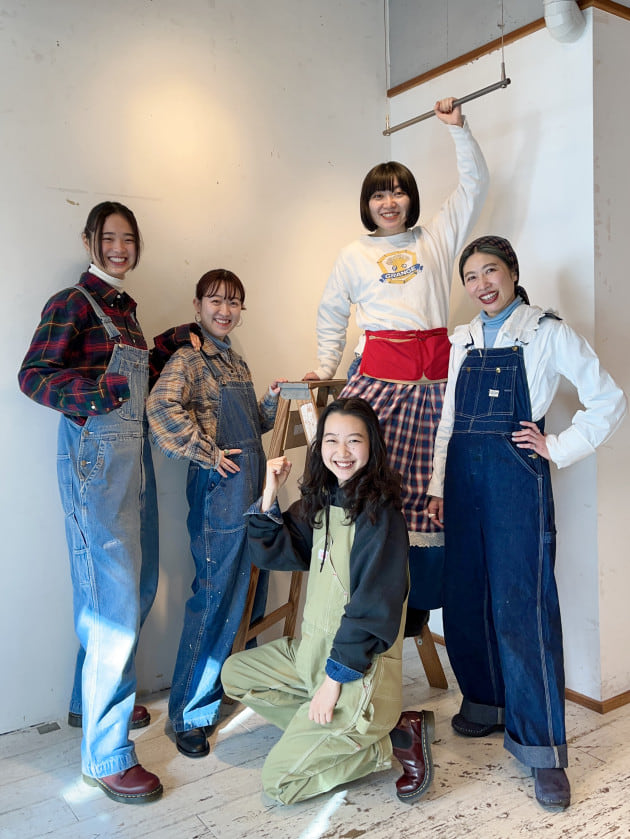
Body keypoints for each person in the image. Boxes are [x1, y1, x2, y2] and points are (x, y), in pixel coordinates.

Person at [426, 235, 627, 810]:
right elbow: (448, 420)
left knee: (524, 606)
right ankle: (486, 703)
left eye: (490, 271)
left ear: (512, 272)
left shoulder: (546, 331)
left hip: (516, 478)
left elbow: (609, 400)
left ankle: (542, 751)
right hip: (461, 479)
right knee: (467, 599)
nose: (481, 284)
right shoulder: (462, 339)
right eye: (471, 276)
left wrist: (555, 447)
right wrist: (438, 485)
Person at [18, 202, 192, 804]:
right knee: (111, 605)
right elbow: (34, 375)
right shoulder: (72, 302)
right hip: (95, 461)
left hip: (133, 460)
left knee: (133, 590)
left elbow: (134, 377)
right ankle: (107, 754)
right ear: (89, 239)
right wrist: (96, 393)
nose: (119, 248)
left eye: (128, 239)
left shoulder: (125, 310)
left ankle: (85, 701)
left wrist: (169, 342)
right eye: (108, 237)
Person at [303, 98, 489, 635]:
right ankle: (367, 595)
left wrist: (459, 129)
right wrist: (324, 366)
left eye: (399, 191)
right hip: (380, 384)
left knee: (436, 490)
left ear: (411, 199)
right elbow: (332, 313)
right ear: (367, 204)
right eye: (379, 194)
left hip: (437, 385)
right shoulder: (353, 254)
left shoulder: (436, 237)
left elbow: (474, 185)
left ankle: (420, 603)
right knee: (373, 485)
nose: (390, 202)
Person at [221, 397, 435, 805]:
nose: (342, 451)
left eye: (354, 440)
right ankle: (349, 731)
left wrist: (332, 685)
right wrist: (270, 493)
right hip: (312, 655)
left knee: (280, 783)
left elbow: (372, 611)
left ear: (372, 446)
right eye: (332, 440)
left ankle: (386, 743)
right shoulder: (322, 501)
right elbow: (273, 552)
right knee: (235, 674)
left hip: (356, 672)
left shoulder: (381, 516)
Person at [146, 268, 284, 759]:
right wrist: (206, 453)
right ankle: (189, 714)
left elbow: (254, 424)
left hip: (253, 488)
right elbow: (160, 409)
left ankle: (232, 685)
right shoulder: (189, 359)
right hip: (219, 491)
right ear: (198, 306)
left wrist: (273, 399)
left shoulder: (236, 362)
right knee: (214, 598)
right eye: (215, 301)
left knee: (252, 591)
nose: (224, 310)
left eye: (233, 302)